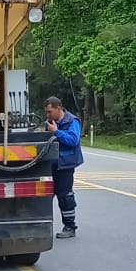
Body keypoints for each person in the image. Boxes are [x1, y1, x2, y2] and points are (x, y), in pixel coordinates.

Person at [45, 97, 84, 238]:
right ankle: (43, 226)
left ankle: (70, 227)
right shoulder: (50, 123)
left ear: (58, 108)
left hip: (65, 165)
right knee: (45, 196)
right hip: (51, 165)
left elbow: (74, 140)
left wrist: (56, 132)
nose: (48, 115)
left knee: (65, 196)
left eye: (50, 112)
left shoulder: (72, 121)